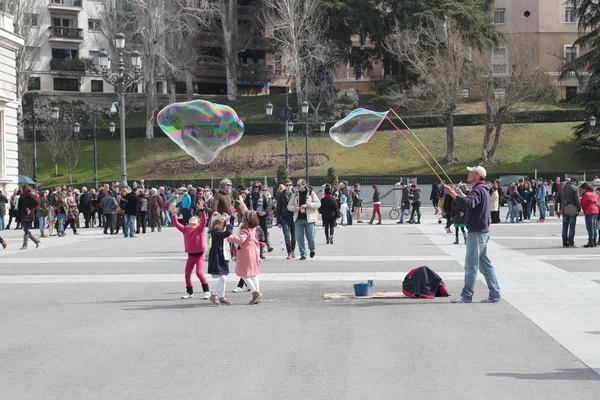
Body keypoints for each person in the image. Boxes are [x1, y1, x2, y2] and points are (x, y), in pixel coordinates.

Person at [444, 166, 501, 303]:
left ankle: (466, 295)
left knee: (471, 266)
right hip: (483, 231)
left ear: (477, 175)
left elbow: (470, 203)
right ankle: (495, 293)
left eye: (471, 172)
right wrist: (461, 195)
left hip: (476, 232)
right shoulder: (483, 189)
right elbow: (473, 202)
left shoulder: (478, 190)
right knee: (486, 266)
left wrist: (453, 195)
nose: (468, 174)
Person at [170, 200, 210, 300]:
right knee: (187, 274)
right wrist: (174, 215)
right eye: (191, 218)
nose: (192, 219)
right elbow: (177, 224)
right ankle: (189, 292)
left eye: (195, 219)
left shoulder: (199, 229)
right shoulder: (185, 229)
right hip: (191, 256)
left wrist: (202, 210)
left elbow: (204, 221)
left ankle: (207, 291)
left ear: (198, 223)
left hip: (199, 255)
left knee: (199, 273)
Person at [227, 198, 263, 304]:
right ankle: (258, 294)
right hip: (254, 252)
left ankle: (255, 293)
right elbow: (247, 212)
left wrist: (228, 237)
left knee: (244, 275)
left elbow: (240, 240)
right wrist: (242, 203)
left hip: (245, 254)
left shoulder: (245, 230)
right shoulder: (253, 227)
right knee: (254, 275)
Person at [288, 179, 321, 260]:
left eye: (299, 185)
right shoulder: (295, 194)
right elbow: (289, 206)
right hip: (298, 219)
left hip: (309, 219)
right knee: (299, 238)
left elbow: (318, 204)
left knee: (310, 236)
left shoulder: (311, 193)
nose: (297, 186)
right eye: (297, 185)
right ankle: (303, 254)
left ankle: (312, 249)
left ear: (304, 185)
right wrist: (295, 208)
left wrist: (308, 205)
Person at [207, 213, 234, 306]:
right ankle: (214, 295)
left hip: (222, 256)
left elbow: (228, 230)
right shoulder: (215, 233)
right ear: (216, 224)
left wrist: (231, 218)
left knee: (224, 278)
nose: (223, 226)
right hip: (217, 257)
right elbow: (227, 233)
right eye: (222, 224)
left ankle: (222, 296)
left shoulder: (219, 232)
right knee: (222, 277)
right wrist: (228, 222)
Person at [245, 181, 270, 259]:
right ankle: (253, 251)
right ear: (253, 187)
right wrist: (249, 213)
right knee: (252, 235)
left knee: (262, 236)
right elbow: (245, 207)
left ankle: (261, 252)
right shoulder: (249, 196)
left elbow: (267, 208)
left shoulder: (263, 196)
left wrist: (264, 212)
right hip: (252, 218)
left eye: (258, 187)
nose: (257, 188)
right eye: (255, 187)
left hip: (261, 218)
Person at [555, 178, 581, 247]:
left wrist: (562, 203)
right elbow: (577, 200)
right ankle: (570, 242)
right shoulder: (575, 188)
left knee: (565, 227)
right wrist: (579, 209)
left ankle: (564, 242)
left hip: (564, 209)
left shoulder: (562, 188)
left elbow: (556, 198)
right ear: (574, 182)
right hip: (573, 209)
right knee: (572, 227)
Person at [276, 179, 296, 259]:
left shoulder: (295, 194)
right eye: (286, 185)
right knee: (287, 236)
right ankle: (289, 252)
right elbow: (278, 208)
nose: (288, 186)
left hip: (294, 218)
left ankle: (293, 250)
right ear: (284, 186)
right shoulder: (281, 195)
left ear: (292, 186)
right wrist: (278, 221)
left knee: (294, 236)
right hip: (284, 218)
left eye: (289, 185)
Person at [18, 185, 40, 250]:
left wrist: (29, 208)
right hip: (22, 214)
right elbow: (19, 206)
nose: (22, 190)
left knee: (25, 229)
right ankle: (36, 240)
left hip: (28, 215)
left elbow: (36, 202)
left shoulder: (29, 196)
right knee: (25, 229)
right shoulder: (21, 196)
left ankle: (25, 244)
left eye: (23, 189)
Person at [580, 183, 598, 248]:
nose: (581, 191)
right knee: (593, 227)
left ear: (585, 189)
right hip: (595, 211)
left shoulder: (585, 194)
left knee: (589, 227)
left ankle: (590, 242)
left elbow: (583, 203)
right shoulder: (592, 193)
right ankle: (594, 241)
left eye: (582, 189)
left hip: (589, 211)